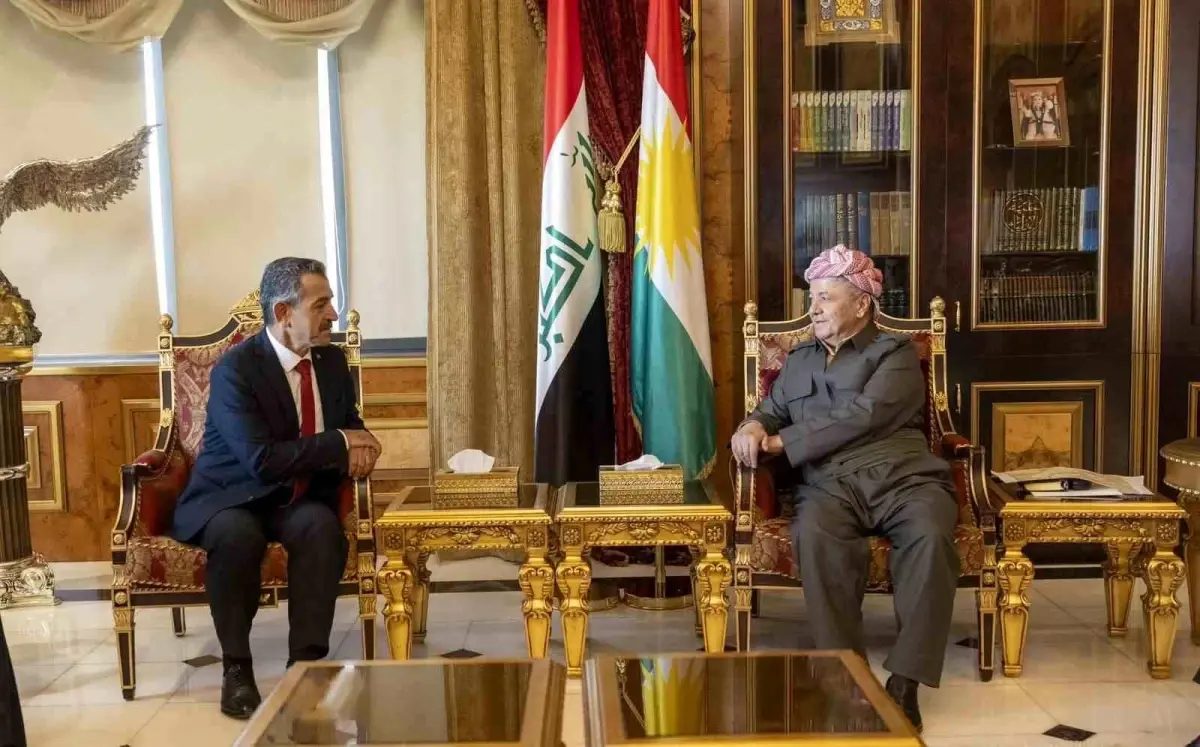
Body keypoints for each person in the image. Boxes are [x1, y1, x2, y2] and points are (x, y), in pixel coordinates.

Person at [731, 245, 958, 732]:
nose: (813, 309)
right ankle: (846, 674)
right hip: (828, 482)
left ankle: (906, 681)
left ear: (860, 304)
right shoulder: (799, 359)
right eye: (812, 297)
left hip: (904, 478)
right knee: (814, 534)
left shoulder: (896, 353)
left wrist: (782, 441)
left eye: (825, 298)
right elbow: (772, 408)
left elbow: (865, 415)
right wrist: (752, 426)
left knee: (931, 537)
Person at [171, 257, 381, 720]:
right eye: (320, 305)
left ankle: (305, 667)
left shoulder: (331, 361)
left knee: (321, 530)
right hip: (234, 493)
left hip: (297, 494)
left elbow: (349, 422)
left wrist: (363, 441)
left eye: (331, 303)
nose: (333, 314)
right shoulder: (236, 370)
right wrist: (342, 441)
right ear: (284, 313)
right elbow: (261, 460)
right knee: (236, 537)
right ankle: (236, 668)